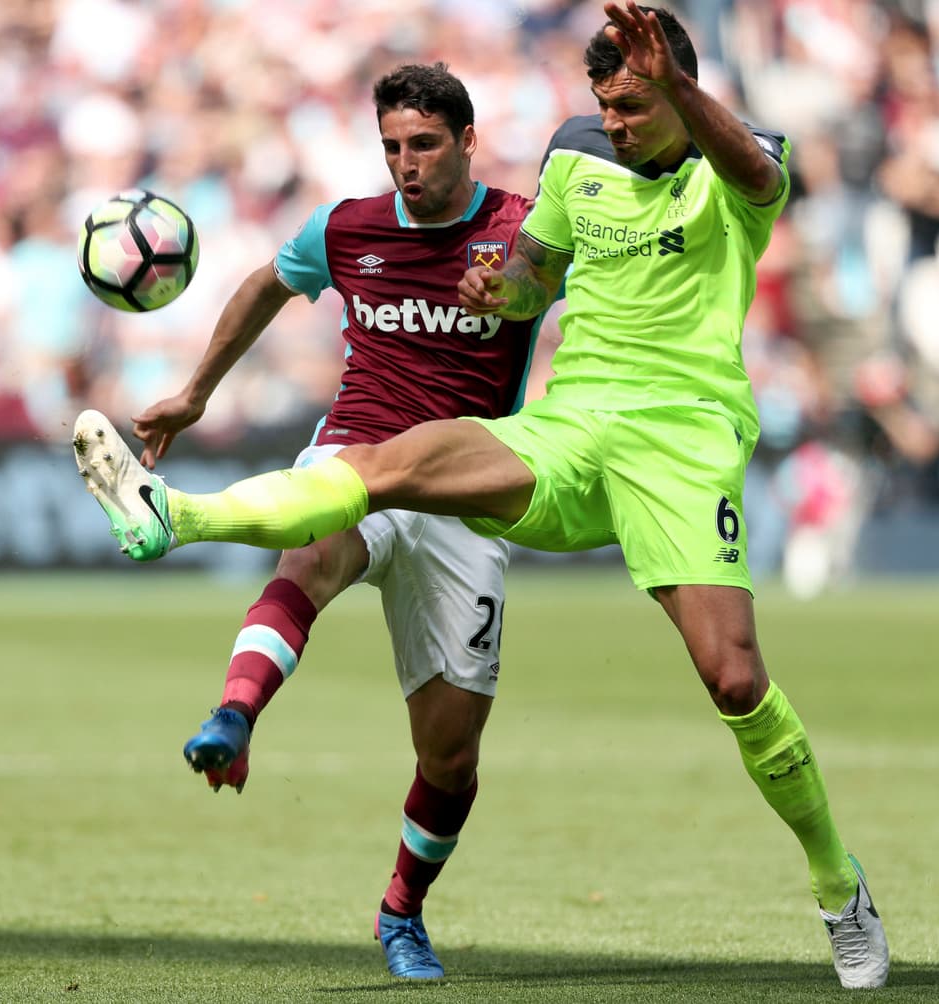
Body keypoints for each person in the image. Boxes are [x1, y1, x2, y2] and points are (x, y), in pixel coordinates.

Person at [74, 4, 890, 990]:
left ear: (678, 89)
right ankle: (176, 516)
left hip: (681, 443)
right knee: (388, 466)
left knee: (731, 679)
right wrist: (500, 289)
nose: (616, 124)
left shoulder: (736, 166)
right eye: (605, 106)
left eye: (633, 105)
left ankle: (837, 884)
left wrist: (672, 85)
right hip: (572, 422)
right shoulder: (572, 160)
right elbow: (531, 281)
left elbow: (758, 176)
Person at [74, 64, 540, 981]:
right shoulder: (346, 229)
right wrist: (196, 393)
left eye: (425, 145)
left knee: (449, 759)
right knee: (314, 551)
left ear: (467, 141)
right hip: (357, 452)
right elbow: (262, 285)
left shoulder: (520, 228)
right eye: (393, 148)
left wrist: (526, 312)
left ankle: (401, 909)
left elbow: (567, 295)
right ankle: (233, 714)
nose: (407, 164)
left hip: (463, 491)